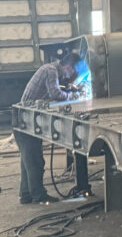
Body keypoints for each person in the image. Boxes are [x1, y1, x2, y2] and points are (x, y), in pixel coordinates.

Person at [15, 53, 84, 205]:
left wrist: (69, 88)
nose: (72, 75)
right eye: (73, 71)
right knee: (35, 161)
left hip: (24, 119)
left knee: (28, 161)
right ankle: (39, 196)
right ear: (68, 67)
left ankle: (26, 195)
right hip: (25, 119)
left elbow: (56, 89)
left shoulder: (52, 71)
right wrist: (73, 96)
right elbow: (55, 93)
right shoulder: (50, 70)